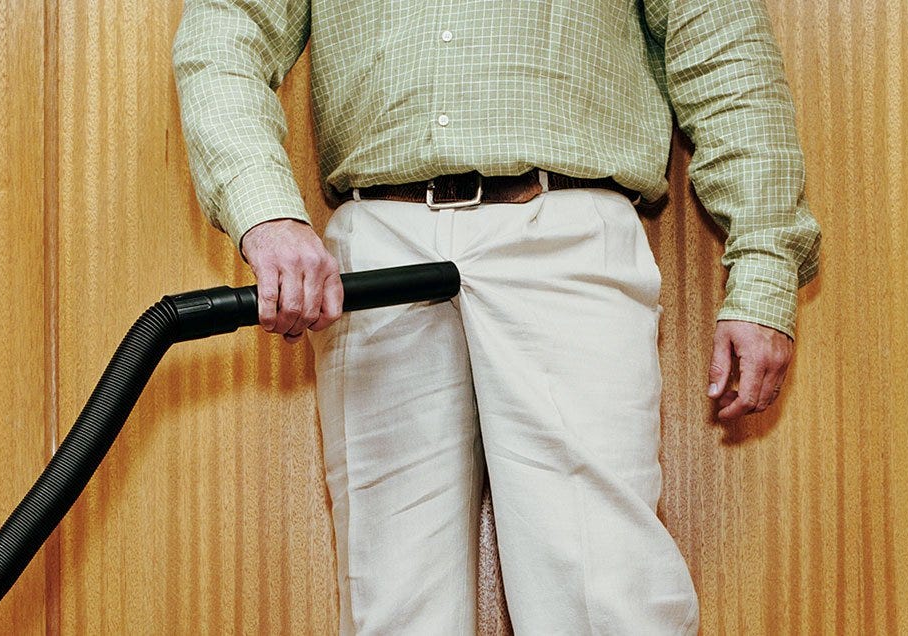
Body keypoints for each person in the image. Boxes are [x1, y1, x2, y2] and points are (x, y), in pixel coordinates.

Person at [172, 0, 821, 633]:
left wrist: (765, 266)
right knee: (393, 598)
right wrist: (266, 213)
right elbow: (226, 28)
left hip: (564, 229)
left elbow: (724, 52)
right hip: (376, 245)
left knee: (603, 591)